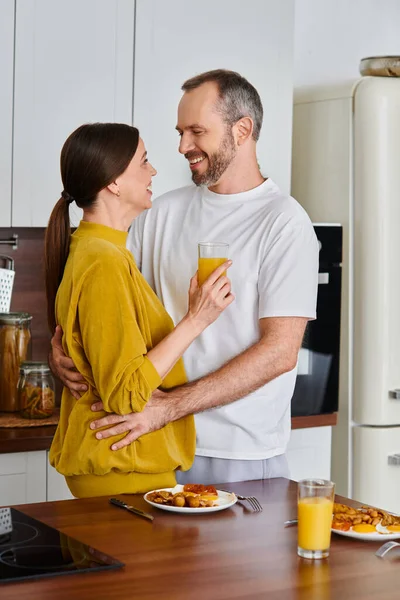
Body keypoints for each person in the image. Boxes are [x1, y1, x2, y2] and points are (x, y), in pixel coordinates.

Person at [51, 70, 319, 485]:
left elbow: (280, 352)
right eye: (180, 132)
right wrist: (64, 353)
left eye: (197, 131)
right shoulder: (158, 213)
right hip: (152, 443)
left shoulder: (284, 223)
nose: (182, 146)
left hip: (238, 453)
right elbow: (106, 305)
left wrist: (170, 407)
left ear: (242, 130)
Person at [45, 122, 233, 498]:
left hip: (122, 465)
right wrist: (196, 320)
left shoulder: (104, 250)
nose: (154, 171)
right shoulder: (104, 262)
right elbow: (126, 394)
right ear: (114, 182)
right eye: (144, 161)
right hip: (122, 466)